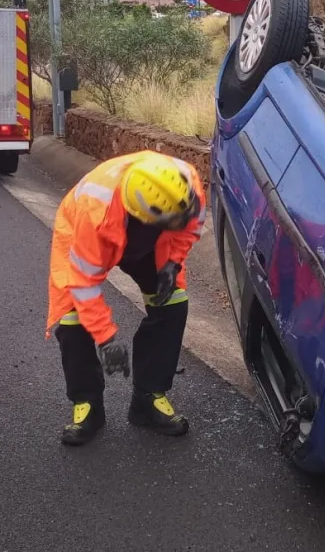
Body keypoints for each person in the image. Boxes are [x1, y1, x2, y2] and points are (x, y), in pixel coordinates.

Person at [46, 150, 206, 446]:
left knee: (172, 303)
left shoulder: (185, 185)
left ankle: (148, 398)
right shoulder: (94, 216)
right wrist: (106, 339)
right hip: (85, 234)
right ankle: (88, 404)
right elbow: (84, 285)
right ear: (143, 216)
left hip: (150, 239)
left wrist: (173, 262)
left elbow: (192, 224)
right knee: (72, 318)